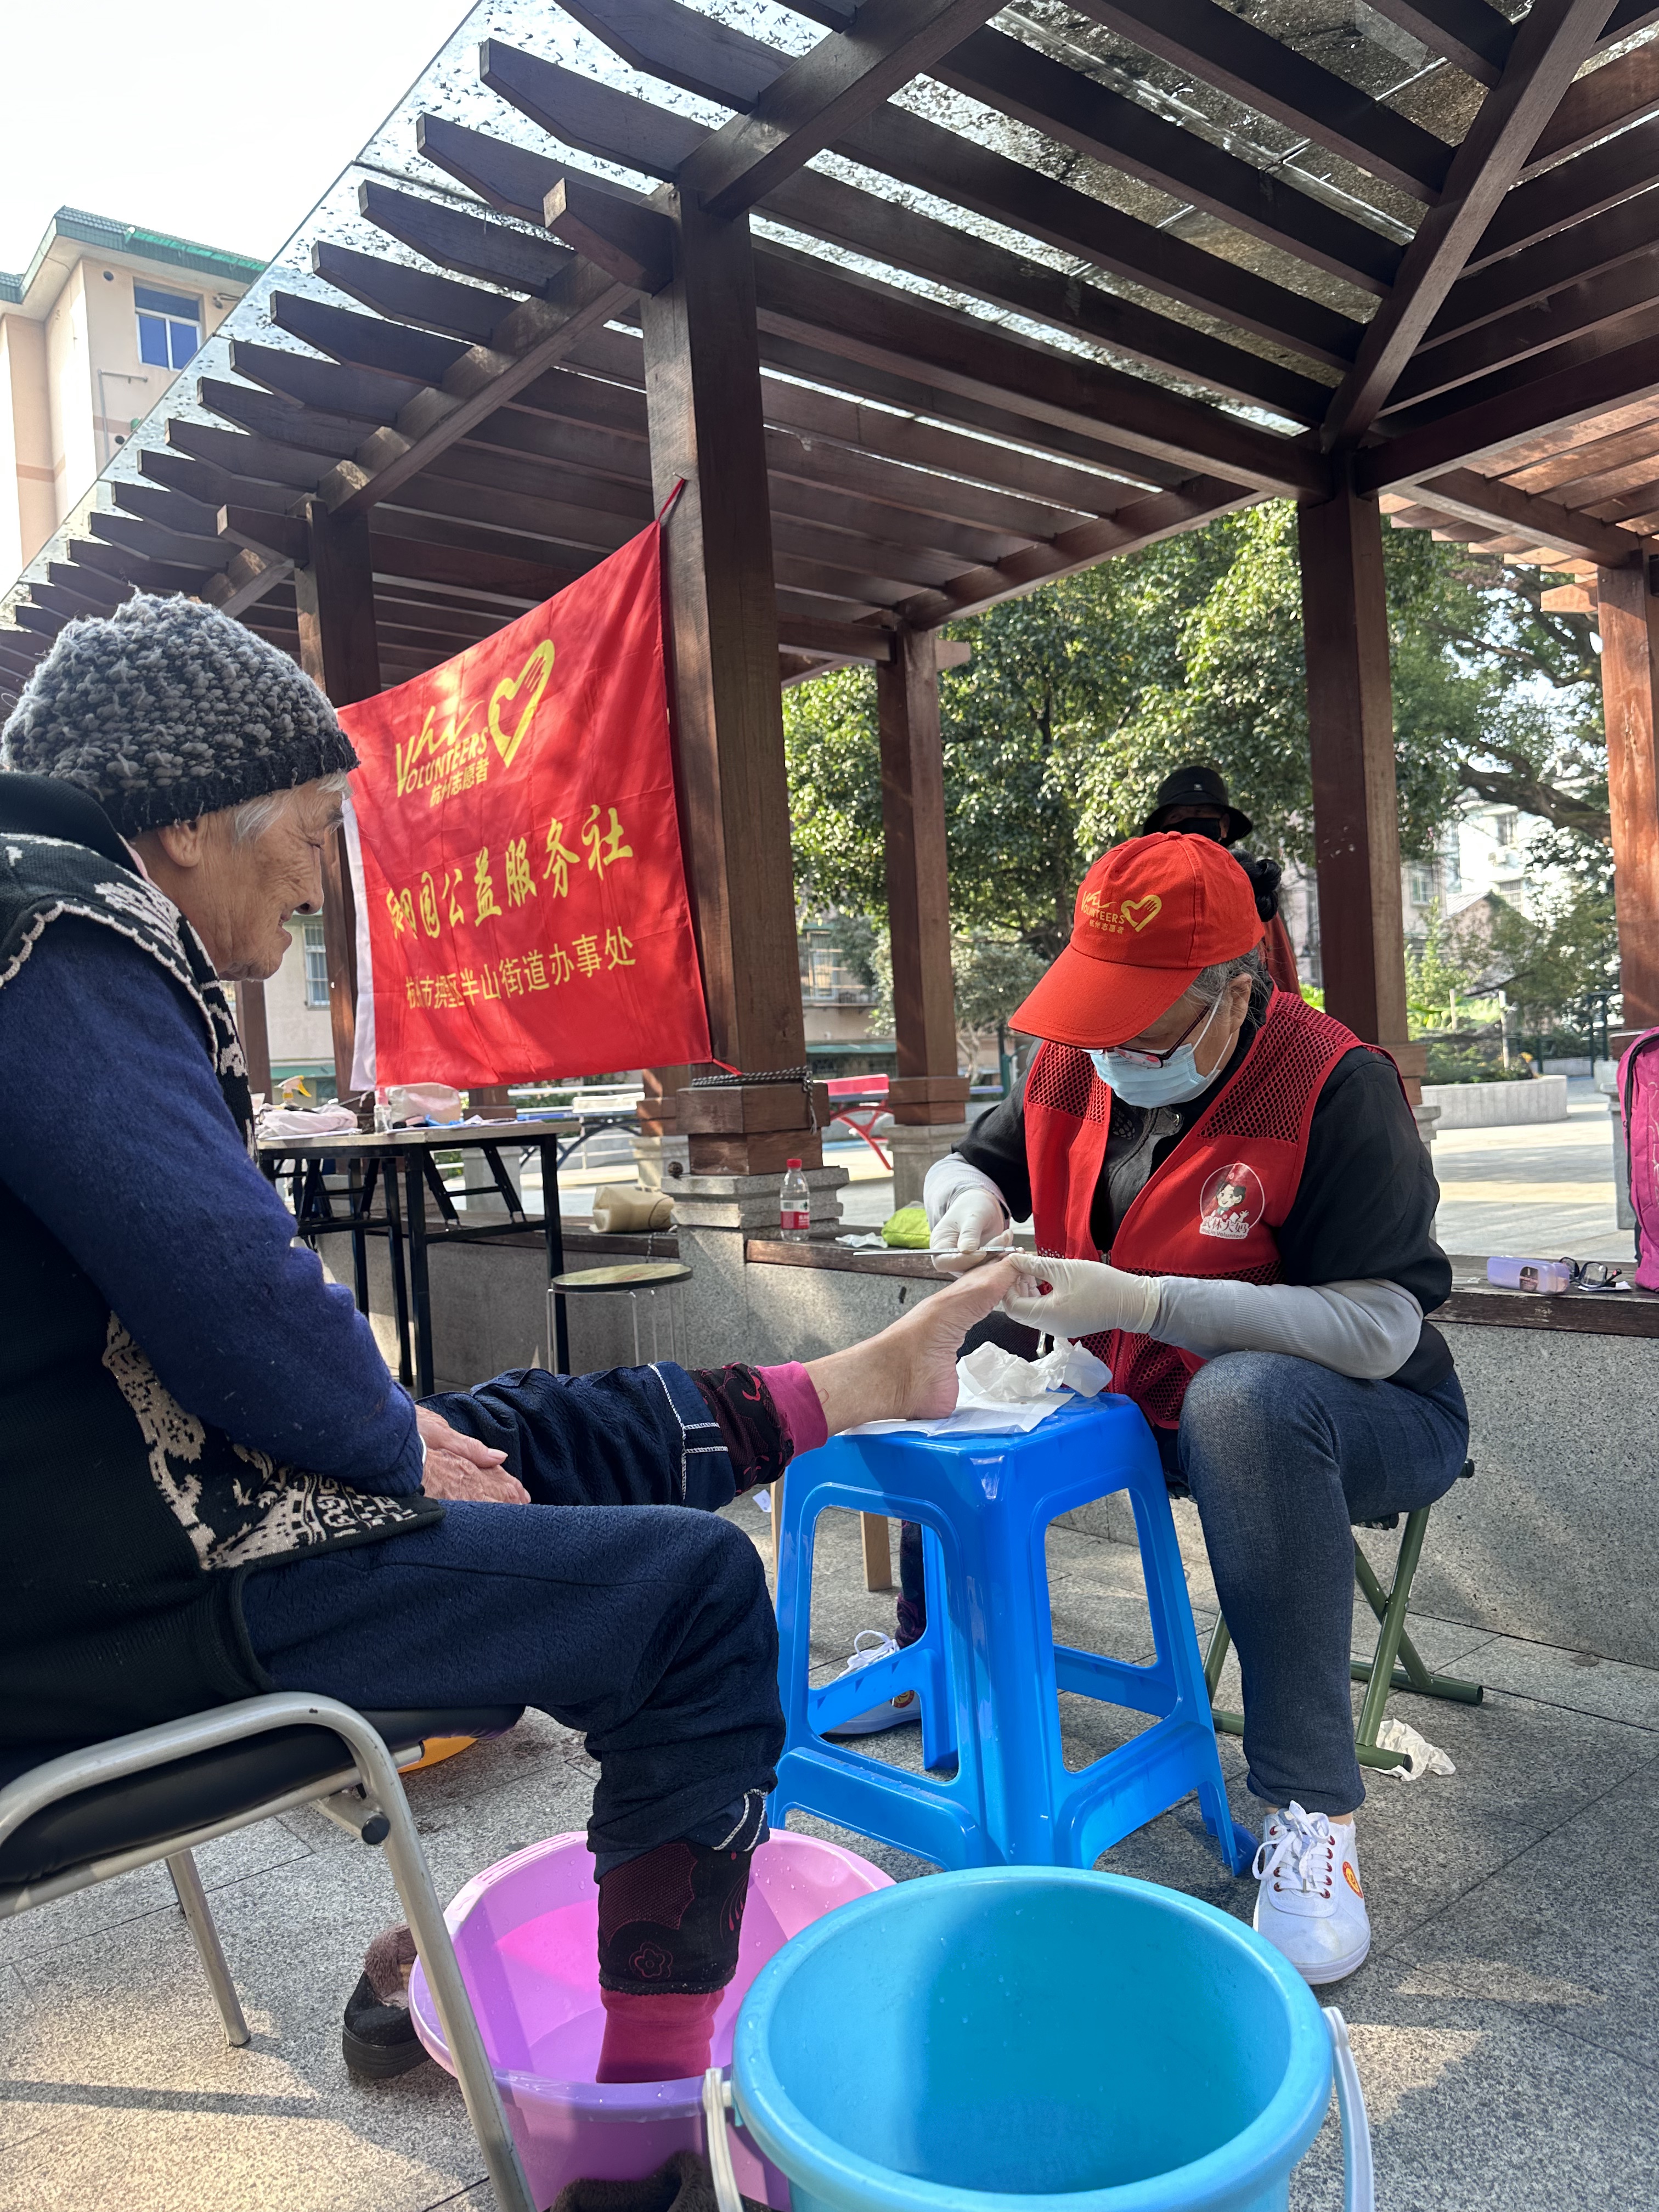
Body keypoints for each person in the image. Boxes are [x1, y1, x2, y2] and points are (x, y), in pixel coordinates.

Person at [0, 595, 1024, 2087]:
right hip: (108, 1615)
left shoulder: (44, 916)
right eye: (309, 828)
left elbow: (216, 1306)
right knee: (692, 1599)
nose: (316, 878)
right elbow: (229, 1293)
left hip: (125, 1529)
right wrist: (379, 1432)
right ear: (189, 820)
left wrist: (387, 1428)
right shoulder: (55, 930)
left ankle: (864, 1379)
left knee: (504, 1429)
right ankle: (639, 2122)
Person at [864, 832, 1467, 1986]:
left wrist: (1146, 1299)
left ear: (1235, 994)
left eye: (1140, 1031)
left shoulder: (1333, 1084)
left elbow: (1380, 1328)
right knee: (949, 1342)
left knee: (1245, 1400)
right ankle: (924, 1650)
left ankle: (1311, 1813)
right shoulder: (1073, 1058)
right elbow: (977, 1161)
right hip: (1135, 1387)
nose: (1110, 1055)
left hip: (1354, 1413)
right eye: (1094, 1024)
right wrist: (964, 1202)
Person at [1141, 763, 1300, 994]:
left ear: (1223, 826)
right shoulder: (1146, 897)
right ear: (1163, 831)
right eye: (1177, 816)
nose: (1189, 823)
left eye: (1200, 813)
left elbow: (1285, 983)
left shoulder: (1255, 896)